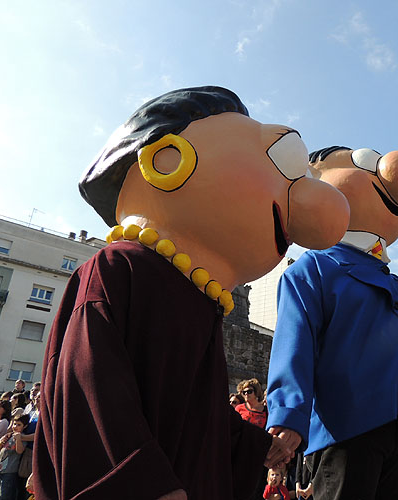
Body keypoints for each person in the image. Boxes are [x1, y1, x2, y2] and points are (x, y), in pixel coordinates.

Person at [34, 86, 350, 500]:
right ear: (167, 161)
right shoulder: (118, 267)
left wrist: (255, 446)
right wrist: (146, 484)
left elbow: (196, 412)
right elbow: (90, 385)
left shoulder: (201, 299)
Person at [266, 144, 398, 500]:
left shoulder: (388, 280)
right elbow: (294, 346)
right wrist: (288, 417)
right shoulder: (313, 269)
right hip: (346, 428)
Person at [0, 414, 30, 500]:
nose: (15, 426)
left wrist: (18, 439)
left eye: (19, 425)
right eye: (14, 424)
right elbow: (1, 450)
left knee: (5, 495)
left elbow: (20, 451)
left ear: (25, 426)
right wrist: (0, 443)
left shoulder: (22, 437)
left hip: (10, 470)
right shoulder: (8, 436)